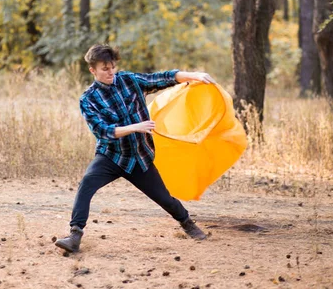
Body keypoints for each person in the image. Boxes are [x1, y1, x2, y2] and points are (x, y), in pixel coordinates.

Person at [55, 44, 215, 253]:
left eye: (112, 67)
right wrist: (135, 127)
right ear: (92, 70)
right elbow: (103, 131)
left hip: (140, 158)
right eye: (104, 69)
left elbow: (161, 78)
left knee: (164, 198)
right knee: (86, 184)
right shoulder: (88, 99)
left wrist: (193, 75)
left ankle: (188, 225)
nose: (110, 72)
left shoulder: (129, 81)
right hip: (111, 156)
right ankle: (75, 236)